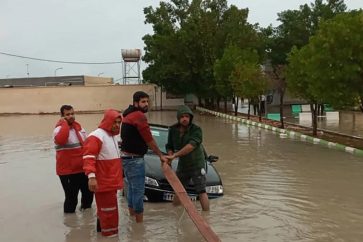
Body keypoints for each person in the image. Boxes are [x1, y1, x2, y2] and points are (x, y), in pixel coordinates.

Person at [120, 91, 168, 223]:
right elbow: (149, 139)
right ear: (136, 103)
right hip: (135, 159)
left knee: (131, 188)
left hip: (126, 158)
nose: (146, 104)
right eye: (143, 102)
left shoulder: (127, 114)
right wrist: (160, 155)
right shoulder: (139, 116)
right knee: (139, 192)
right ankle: (139, 225)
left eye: (147, 101)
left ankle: (132, 219)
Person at [83, 109, 123, 237]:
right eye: (114, 122)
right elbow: (88, 157)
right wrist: (91, 177)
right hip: (104, 183)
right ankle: (110, 236)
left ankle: (102, 233)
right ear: (107, 121)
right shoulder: (96, 136)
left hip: (111, 182)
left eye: (119, 122)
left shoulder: (112, 136)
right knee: (109, 212)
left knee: (105, 212)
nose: (117, 125)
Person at [165, 105, 209, 211]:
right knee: (178, 190)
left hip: (197, 164)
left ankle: (207, 216)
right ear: (178, 118)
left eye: (187, 117)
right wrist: (170, 156)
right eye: (182, 117)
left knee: (201, 190)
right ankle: (176, 212)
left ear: (190, 118)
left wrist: (174, 155)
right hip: (183, 164)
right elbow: (169, 145)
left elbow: (191, 146)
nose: (185, 119)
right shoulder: (172, 130)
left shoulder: (196, 130)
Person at [53, 105, 93, 213]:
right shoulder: (58, 130)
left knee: (88, 196)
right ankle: (70, 224)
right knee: (71, 199)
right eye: (67, 114)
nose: (71, 116)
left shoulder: (80, 128)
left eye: (72, 113)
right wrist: (65, 124)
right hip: (67, 172)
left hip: (82, 169)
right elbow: (61, 140)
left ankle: (87, 222)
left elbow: (88, 147)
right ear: (62, 116)